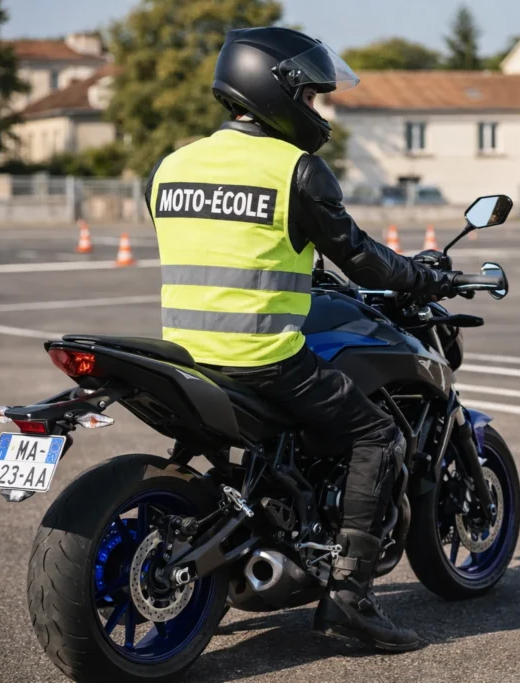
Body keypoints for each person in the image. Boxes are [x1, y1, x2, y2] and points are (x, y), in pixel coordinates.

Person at [144, 27, 456, 652]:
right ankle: (350, 601)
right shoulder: (295, 171)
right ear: (275, 91)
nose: (317, 111)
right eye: (312, 97)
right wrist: (423, 277)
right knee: (378, 436)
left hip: (186, 354)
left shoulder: (170, 166)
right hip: (261, 357)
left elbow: (223, 245)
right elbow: (360, 257)